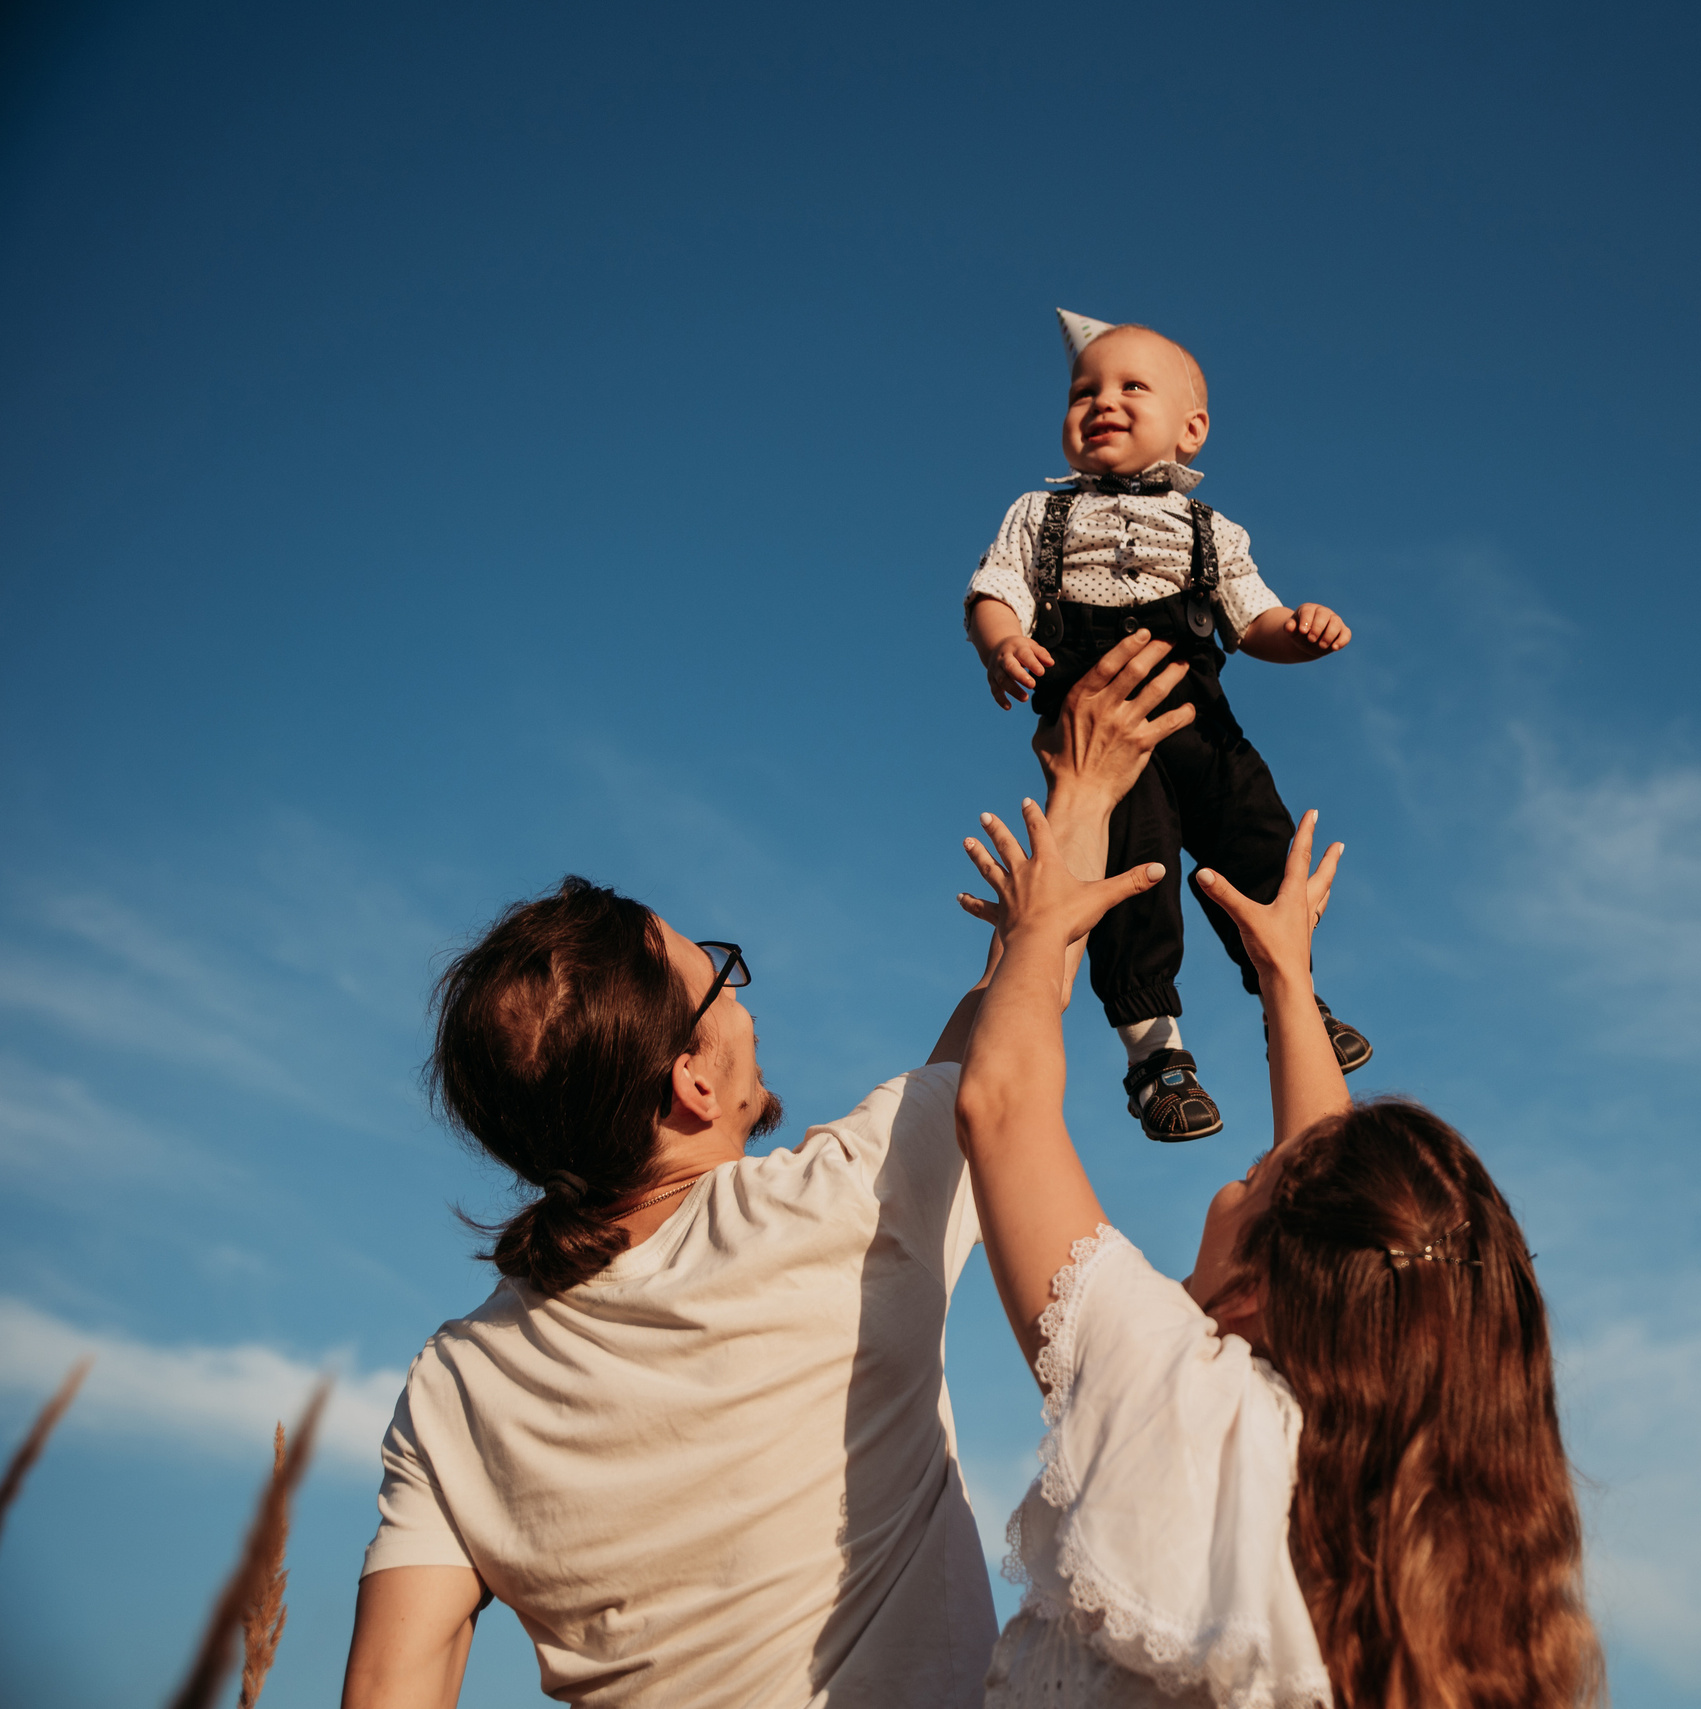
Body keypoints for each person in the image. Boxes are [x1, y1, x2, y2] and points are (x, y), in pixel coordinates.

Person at [951, 639, 1606, 1709]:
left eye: (1263, 1173)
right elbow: (1348, 1235)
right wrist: (1284, 980)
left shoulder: (1175, 1392)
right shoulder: (1410, 1538)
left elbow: (1002, 1103)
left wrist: (1044, 913)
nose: (1263, 1156)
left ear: (1259, 1288)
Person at [339, 869, 1015, 1704]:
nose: (745, 1006)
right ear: (691, 1080)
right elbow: (1008, 1031)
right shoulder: (844, 1202)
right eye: (721, 981)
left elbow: (388, 1686)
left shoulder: (458, 1383)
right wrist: (1066, 846)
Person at [963, 307, 1372, 1144]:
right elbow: (994, 590)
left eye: (1131, 387)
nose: (1102, 403)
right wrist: (1002, 642)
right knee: (1132, 876)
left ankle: (1290, 994)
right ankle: (1155, 1056)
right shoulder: (1039, 514)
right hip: (1103, 731)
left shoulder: (1212, 530)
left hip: (1200, 720)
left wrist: (1300, 630)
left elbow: (1254, 620)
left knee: (1260, 837)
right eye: (1084, 392)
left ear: (1191, 430)